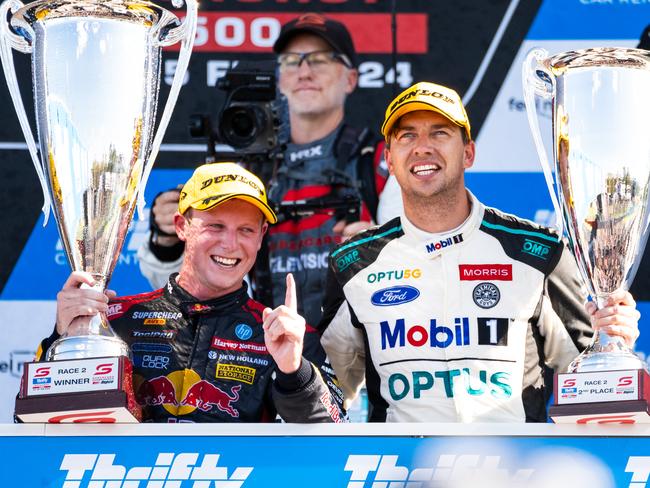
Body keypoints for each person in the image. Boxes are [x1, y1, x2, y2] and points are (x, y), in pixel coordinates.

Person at [318, 81, 641, 423]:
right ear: (389, 160)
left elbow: (587, 382)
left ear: (469, 153)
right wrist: (295, 372)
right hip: (404, 472)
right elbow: (326, 394)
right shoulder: (354, 263)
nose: (422, 147)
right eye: (407, 136)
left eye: (439, 133)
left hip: (513, 471)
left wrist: (611, 340)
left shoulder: (537, 253)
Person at [138, 13, 389, 331]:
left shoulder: (379, 161)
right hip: (263, 354)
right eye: (292, 61)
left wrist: (381, 248)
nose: (305, 71)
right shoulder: (247, 174)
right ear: (280, 78)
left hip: (357, 354)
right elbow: (187, 288)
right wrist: (168, 241)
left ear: (351, 78)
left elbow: (424, 261)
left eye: (321, 59)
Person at [38, 163, 345, 423]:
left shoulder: (286, 335)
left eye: (246, 230)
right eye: (215, 226)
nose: (230, 244)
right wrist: (65, 340)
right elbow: (39, 424)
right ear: (181, 226)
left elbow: (334, 432)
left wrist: (294, 371)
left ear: (262, 236)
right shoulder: (115, 321)